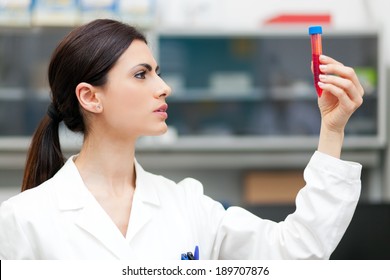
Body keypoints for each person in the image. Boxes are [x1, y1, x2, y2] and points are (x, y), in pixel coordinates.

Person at [0, 19, 364, 260]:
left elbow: (294, 254)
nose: (164, 88)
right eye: (142, 75)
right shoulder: (26, 219)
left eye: (158, 73)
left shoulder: (187, 205)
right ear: (90, 97)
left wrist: (331, 131)